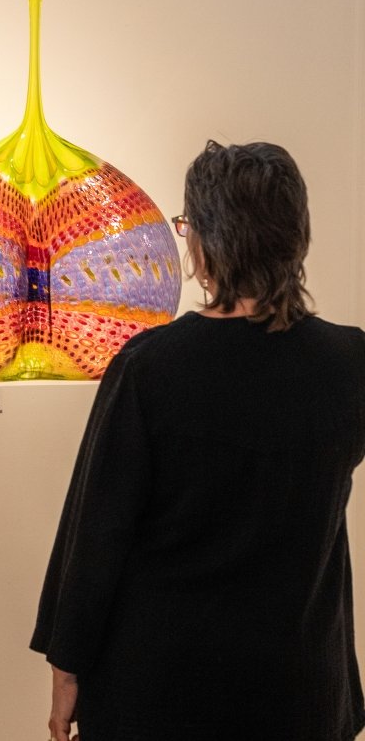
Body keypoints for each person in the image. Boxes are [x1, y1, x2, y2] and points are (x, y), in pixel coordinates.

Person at [31, 140, 365, 741]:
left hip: (160, 689)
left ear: (207, 243)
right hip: (298, 691)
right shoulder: (350, 364)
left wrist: (66, 670)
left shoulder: (150, 368)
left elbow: (96, 534)